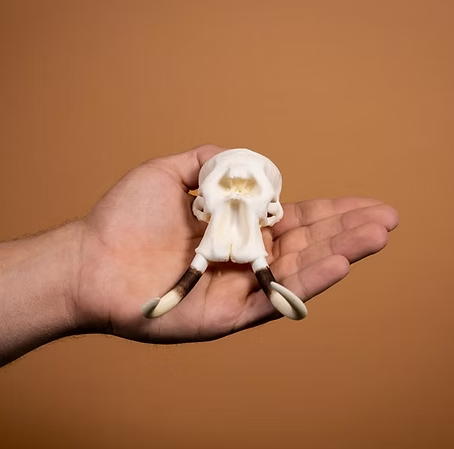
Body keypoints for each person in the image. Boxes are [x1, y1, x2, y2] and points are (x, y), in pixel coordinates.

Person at [0, 144, 398, 367]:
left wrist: (77, 271)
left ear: (271, 210)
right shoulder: (230, 208)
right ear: (201, 205)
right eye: (222, 191)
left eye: (253, 196)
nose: (236, 204)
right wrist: (79, 266)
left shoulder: (231, 205)